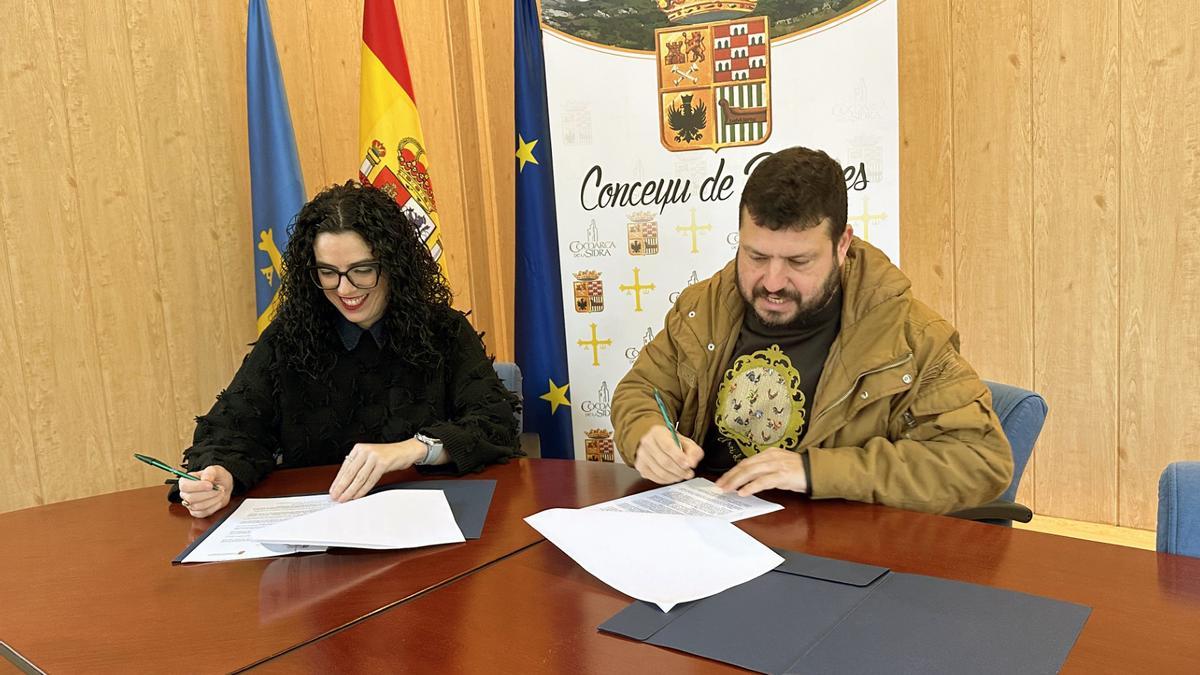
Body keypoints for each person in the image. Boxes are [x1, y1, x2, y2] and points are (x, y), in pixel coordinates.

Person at [611, 147, 1012, 514]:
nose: (771, 281)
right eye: (755, 256)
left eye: (798, 261)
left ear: (842, 245)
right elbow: (642, 390)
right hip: (705, 528)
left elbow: (978, 460)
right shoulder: (705, 307)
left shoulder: (909, 336)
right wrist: (646, 432)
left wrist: (813, 471)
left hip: (829, 553)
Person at [175, 181, 520, 518]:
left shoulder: (443, 330)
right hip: (321, 531)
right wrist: (220, 474)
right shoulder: (289, 338)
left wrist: (413, 449)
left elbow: (494, 424)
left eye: (362, 270)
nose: (344, 289)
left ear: (393, 265)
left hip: (430, 525)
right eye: (328, 272)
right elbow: (230, 429)